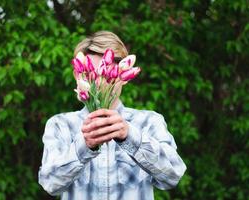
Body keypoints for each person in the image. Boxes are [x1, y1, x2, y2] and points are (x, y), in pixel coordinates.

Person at [38, 31, 187, 200]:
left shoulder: (149, 122)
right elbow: (50, 184)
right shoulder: (60, 125)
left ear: (124, 76)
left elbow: (173, 175)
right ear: (78, 76)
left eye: (107, 73)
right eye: (91, 73)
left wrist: (130, 136)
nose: (99, 81)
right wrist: (84, 146)